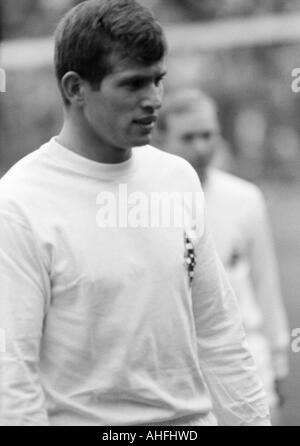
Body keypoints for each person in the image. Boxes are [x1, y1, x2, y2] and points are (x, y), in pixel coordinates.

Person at [0, 0, 270, 426]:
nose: (154, 100)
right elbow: (12, 371)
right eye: (133, 84)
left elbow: (219, 332)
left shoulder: (177, 178)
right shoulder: (20, 201)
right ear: (75, 88)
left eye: (158, 80)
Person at [157, 88, 290, 424]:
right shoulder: (143, 207)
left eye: (207, 135)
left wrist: (277, 359)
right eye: (187, 137)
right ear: (160, 140)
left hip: (245, 365)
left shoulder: (244, 199)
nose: (200, 147)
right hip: (178, 379)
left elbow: (265, 284)